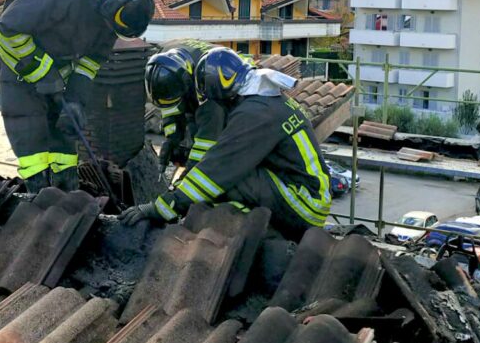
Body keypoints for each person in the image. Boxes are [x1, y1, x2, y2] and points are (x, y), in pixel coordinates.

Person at [122, 47, 331, 238]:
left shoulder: (253, 114)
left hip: (305, 206)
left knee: (223, 178)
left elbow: (215, 170)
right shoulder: (262, 99)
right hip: (305, 195)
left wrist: (163, 207)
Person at [0, 0, 154, 192]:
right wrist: (43, 73)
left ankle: (66, 184)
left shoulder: (114, 17)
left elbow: (92, 61)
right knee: (30, 128)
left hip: (61, 61)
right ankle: (37, 188)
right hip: (20, 57)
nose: (109, 30)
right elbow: (9, 29)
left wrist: (75, 100)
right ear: (106, 6)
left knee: (64, 128)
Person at [144, 39, 226, 173]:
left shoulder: (212, 90)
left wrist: (186, 179)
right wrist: (172, 136)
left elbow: (206, 143)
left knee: (210, 144)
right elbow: (169, 105)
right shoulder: (161, 63)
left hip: (239, 94)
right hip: (194, 77)